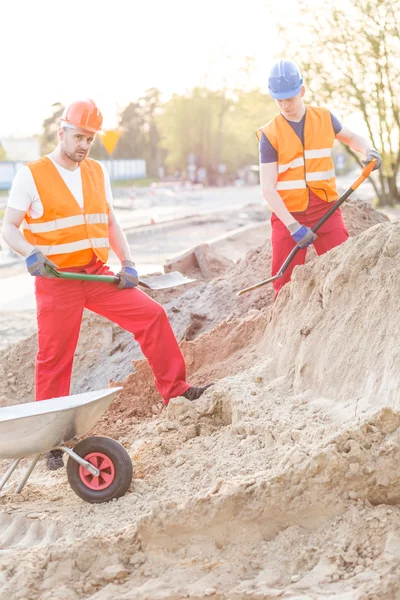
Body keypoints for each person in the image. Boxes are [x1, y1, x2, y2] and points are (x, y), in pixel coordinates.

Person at [2, 99, 212, 470]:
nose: (84, 144)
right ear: (62, 132)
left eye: (90, 139)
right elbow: (9, 227)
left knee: (152, 316)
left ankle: (177, 392)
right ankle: (52, 442)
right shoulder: (31, 175)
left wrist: (128, 262)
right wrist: (30, 254)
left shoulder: (96, 172)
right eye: (79, 136)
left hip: (95, 273)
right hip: (56, 281)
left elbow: (111, 221)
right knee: (53, 359)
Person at [258, 60, 382, 296]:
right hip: (288, 215)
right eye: (279, 100)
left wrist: (369, 150)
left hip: (326, 208)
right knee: (285, 287)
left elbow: (351, 137)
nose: (285, 105)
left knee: (346, 270)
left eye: (290, 98)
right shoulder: (270, 134)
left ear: (302, 91)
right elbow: (267, 189)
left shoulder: (324, 118)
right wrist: (293, 226)